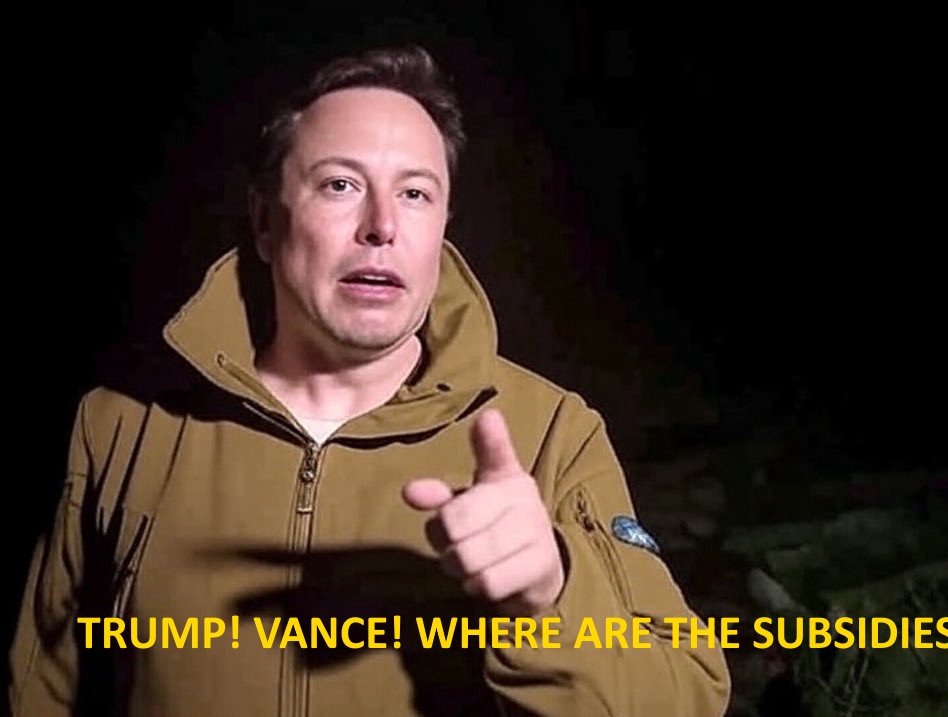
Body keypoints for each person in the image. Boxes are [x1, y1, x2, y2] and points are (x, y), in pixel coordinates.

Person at [9, 45, 730, 716]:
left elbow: (689, 697)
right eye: (340, 185)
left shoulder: (552, 432)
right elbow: (45, 686)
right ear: (264, 222)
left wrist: (552, 594)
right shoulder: (121, 425)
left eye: (415, 193)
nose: (382, 225)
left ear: (443, 224)